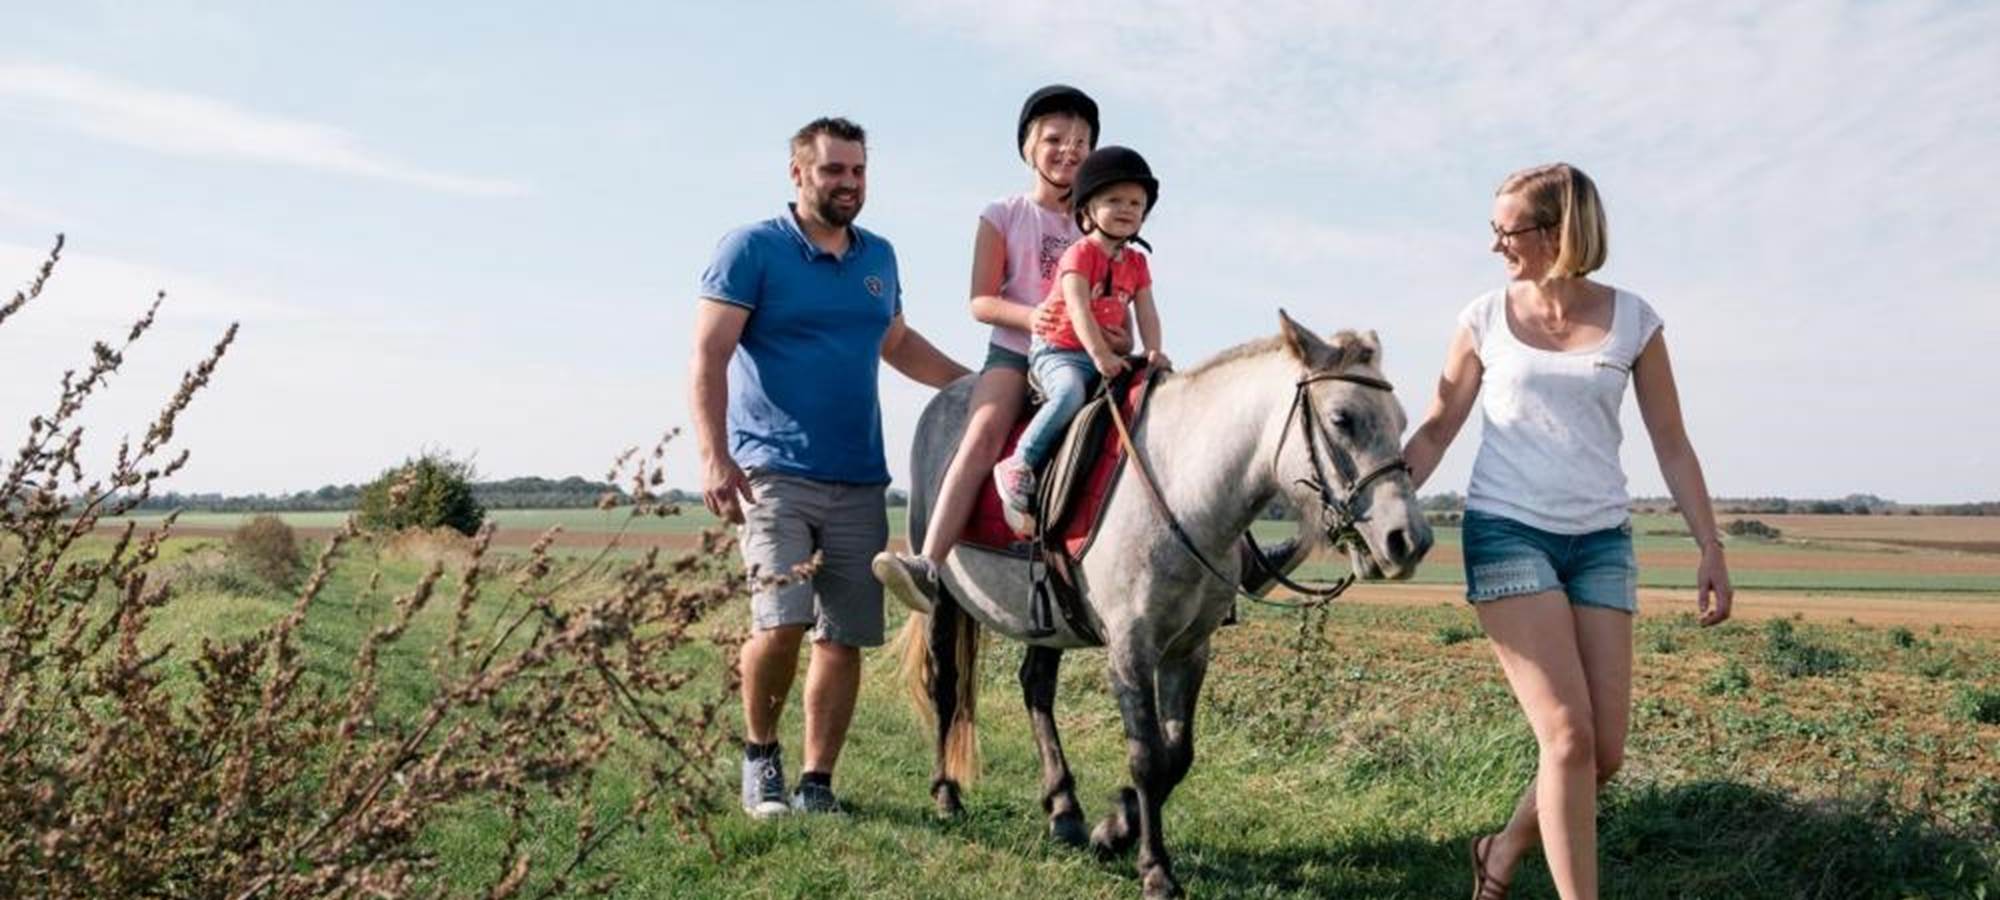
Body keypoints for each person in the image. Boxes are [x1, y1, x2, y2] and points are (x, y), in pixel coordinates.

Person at [1400, 162, 1734, 899]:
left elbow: (1672, 442)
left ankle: (1499, 849)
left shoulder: (1635, 320)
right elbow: (1436, 428)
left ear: (1557, 232)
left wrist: (1711, 546)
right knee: (1567, 737)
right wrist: (1378, 505)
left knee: (1602, 752)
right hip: (1508, 531)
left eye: (1507, 231)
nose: (1496, 246)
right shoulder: (1483, 318)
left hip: (1601, 542)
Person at [689, 116, 968, 818]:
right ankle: (761, 758)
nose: (848, 183)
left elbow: (897, 344)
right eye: (832, 170)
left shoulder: (879, 257)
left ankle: (817, 783)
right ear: (798, 174)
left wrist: (977, 386)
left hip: (860, 475)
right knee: (780, 624)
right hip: (771, 472)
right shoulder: (751, 249)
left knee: (843, 638)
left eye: (858, 171)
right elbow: (709, 356)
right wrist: (713, 455)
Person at [869, 85, 1113, 614]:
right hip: (1016, 353)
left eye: (1081, 141)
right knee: (981, 435)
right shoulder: (1003, 214)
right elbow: (981, 300)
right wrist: (1034, 317)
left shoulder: (1099, 223)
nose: (1069, 150)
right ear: (1028, 145)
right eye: (1055, 138)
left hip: (1085, 353)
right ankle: (928, 563)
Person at [993, 145, 1167, 515]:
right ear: (1087, 209)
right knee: (1070, 393)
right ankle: (1020, 461)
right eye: (1114, 200)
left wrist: (1153, 351)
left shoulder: (1136, 263)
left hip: (1104, 354)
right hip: (1059, 350)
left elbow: (1147, 311)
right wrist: (1101, 355)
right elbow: (1078, 308)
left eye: (1136, 204)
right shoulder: (1079, 254)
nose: (1126, 209)